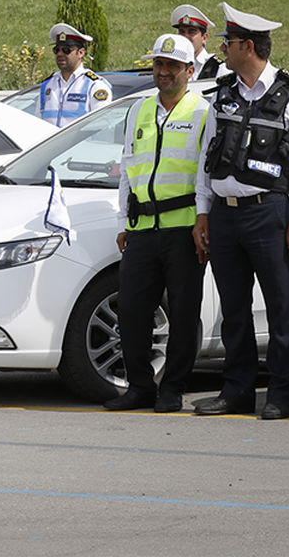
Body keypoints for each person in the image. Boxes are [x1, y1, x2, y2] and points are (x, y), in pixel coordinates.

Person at [191, 3, 289, 420]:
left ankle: (281, 394)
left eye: (228, 43)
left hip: (269, 214)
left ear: (248, 46)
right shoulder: (223, 90)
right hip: (225, 216)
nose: (222, 49)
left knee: (280, 307)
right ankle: (237, 392)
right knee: (234, 309)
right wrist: (203, 213)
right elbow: (206, 158)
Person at [105, 34, 209, 412]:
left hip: (183, 230)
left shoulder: (203, 112)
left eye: (171, 66)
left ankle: (173, 389)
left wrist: (203, 219)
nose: (163, 72)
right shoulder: (139, 110)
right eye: (158, 65)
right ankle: (139, 388)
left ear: (189, 70)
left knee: (182, 313)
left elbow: (205, 174)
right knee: (132, 311)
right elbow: (127, 171)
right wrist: (122, 221)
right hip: (141, 229)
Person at [37, 23, 112, 127]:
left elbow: (102, 125)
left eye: (66, 50)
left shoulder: (94, 85)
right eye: (56, 49)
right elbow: (38, 122)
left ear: (81, 53)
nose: (60, 54)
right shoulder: (47, 85)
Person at [170, 4, 228, 80]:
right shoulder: (171, 63)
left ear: (204, 38)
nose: (185, 37)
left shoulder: (218, 68)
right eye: (182, 32)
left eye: (191, 32)